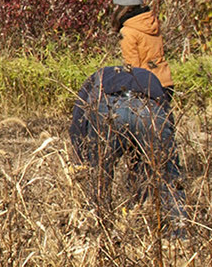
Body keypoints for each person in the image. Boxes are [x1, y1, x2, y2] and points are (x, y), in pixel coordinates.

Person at [69, 64, 185, 233]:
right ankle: (178, 232)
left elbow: (78, 120)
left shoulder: (96, 78)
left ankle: (97, 231)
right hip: (150, 109)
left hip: (108, 109)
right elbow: (166, 116)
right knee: (167, 174)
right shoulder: (149, 76)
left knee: (100, 174)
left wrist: (81, 160)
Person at [111, 0, 174, 101]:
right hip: (165, 82)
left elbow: (133, 68)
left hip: (148, 86)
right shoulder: (151, 21)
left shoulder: (128, 32)